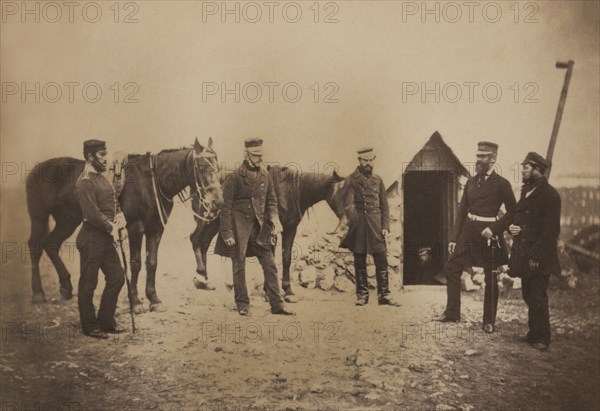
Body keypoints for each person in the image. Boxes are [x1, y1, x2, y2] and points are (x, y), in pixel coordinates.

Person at [436, 141, 516, 333]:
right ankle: (452, 313)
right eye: (478, 156)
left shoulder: (502, 184)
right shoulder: (471, 182)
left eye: (483, 156)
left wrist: (495, 228)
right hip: (469, 232)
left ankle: (489, 321)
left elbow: (513, 212)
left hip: (489, 234)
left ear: (493, 159)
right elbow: (462, 211)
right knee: (451, 267)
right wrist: (454, 238)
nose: (478, 160)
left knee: (491, 276)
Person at [214, 138, 293, 316]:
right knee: (239, 267)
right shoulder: (233, 177)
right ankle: (242, 304)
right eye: (255, 155)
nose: (259, 159)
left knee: (270, 265)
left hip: (259, 231)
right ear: (246, 155)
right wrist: (226, 233)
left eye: (260, 155)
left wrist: (274, 219)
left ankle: (277, 305)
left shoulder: (266, 175)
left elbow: (271, 201)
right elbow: (225, 208)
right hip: (238, 231)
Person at [509, 152, 560, 352]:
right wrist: (513, 228)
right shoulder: (526, 191)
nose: (522, 171)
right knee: (529, 294)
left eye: (526, 168)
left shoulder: (550, 195)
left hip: (539, 255)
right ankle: (533, 333)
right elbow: (521, 220)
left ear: (537, 170)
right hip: (524, 253)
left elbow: (550, 232)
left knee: (538, 295)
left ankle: (542, 338)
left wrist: (535, 256)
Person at [75, 139, 127, 339]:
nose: (106, 159)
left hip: (106, 238)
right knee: (88, 283)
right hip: (90, 239)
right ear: (89, 157)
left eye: (106, 154)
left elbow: (112, 202)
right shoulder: (85, 181)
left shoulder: (102, 178)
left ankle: (105, 321)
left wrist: (120, 215)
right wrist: (111, 226)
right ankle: (89, 326)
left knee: (117, 277)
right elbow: (91, 213)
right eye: (102, 155)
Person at [339, 147, 400, 307]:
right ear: (359, 160)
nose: (368, 163)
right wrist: (351, 220)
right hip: (359, 225)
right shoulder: (351, 179)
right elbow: (344, 203)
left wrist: (385, 226)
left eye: (371, 160)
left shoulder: (378, 180)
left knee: (381, 259)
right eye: (365, 160)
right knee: (359, 261)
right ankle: (362, 295)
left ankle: (384, 295)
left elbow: (385, 206)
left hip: (376, 225)